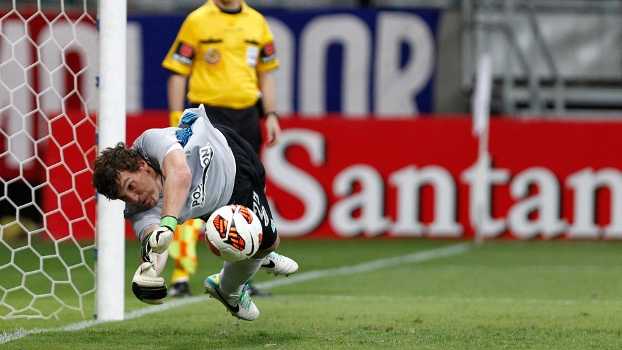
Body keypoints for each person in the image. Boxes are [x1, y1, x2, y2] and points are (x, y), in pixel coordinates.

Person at [91, 105, 298, 321]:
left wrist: (168, 224)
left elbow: (180, 173)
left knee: (260, 220)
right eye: (124, 197)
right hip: (228, 196)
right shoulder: (139, 211)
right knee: (270, 243)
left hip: (228, 144)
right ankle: (227, 289)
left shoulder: (149, 142)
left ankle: (254, 252)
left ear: (142, 165)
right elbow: (155, 245)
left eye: (131, 186)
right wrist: (148, 272)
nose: (133, 199)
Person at [161, 0, 282, 297]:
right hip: (209, 115)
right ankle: (180, 276)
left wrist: (271, 115)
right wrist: (178, 120)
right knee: (194, 192)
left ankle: (241, 277)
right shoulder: (197, 20)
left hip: (247, 117)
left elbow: (265, 73)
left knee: (245, 194)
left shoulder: (257, 22)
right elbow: (178, 71)